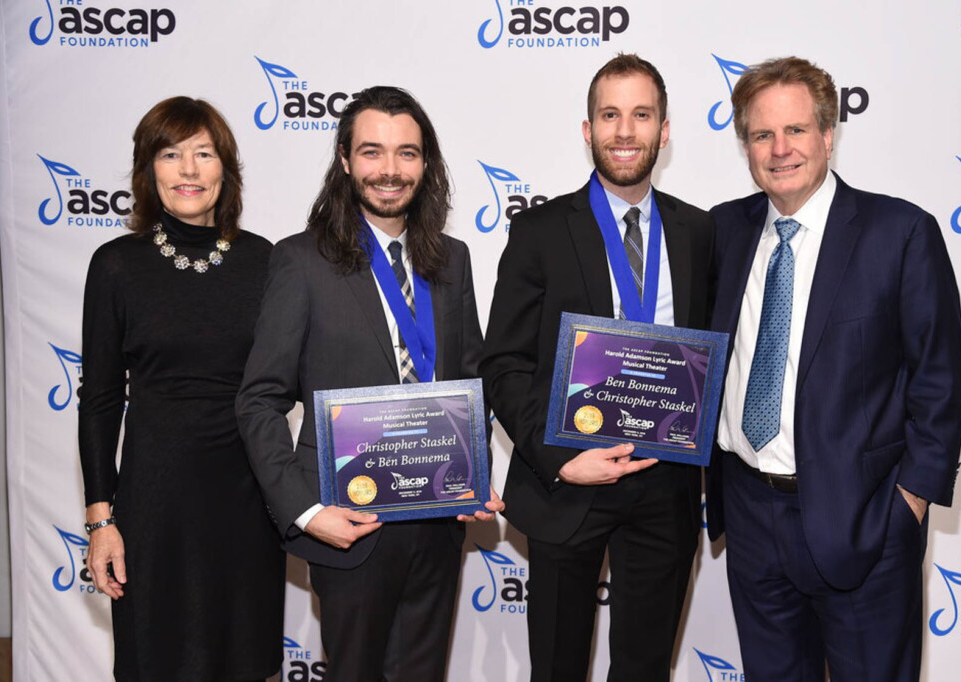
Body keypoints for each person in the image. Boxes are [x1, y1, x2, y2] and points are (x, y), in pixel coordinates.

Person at [705, 56, 961, 681]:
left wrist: (907, 506)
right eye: (762, 134)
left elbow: (940, 378)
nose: (780, 149)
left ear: (828, 134)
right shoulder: (722, 231)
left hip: (866, 524)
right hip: (749, 515)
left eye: (796, 130)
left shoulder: (900, 233)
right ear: (745, 144)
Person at [235, 85, 502, 682]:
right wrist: (304, 511)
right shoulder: (301, 261)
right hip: (347, 524)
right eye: (373, 152)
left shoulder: (451, 259)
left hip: (437, 522)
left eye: (407, 153)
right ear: (346, 161)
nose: (389, 170)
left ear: (425, 164)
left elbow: (471, 380)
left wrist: (472, 473)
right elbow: (258, 401)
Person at [481, 54, 714, 682]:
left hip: (665, 488)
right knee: (557, 666)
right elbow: (503, 362)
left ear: (665, 131)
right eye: (609, 115)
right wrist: (561, 459)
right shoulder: (538, 230)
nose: (624, 131)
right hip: (566, 484)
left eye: (641, 115)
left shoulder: (700, 232)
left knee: (645, 670)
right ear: (587, 129)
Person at [79, 96, 284, 681]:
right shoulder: (117, 265)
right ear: (149, 170)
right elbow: (98, 400)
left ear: (227, 169)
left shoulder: (265, 261)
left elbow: (288, 383)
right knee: (158, 661)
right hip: (154, 505)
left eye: (204, 153)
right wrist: (101, 522)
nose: (189, 170)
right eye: (171, 154)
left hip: (247, 501)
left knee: (242, 661)